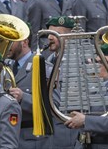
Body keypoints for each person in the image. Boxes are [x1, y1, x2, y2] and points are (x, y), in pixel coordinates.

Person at [65, 43, 108, 149]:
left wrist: (86, 120)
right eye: (95, 61)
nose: (95, 66)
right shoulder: (92, 86)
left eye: (100, 62)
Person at [6, 27, 53, 148]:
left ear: (24, 42)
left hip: (31, 138)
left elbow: (52, 106)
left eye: (11, 41)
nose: (6, 45)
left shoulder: (43, 67)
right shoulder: (5, 67)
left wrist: (23, 98)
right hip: (9, 136)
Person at [45, 16, 79, 149]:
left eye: (56, 34)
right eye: (49, 33)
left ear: (70, 36)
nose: (49, 38)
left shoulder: (78, 60)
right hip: (52, 128)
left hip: (68, 129)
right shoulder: (49, 59)